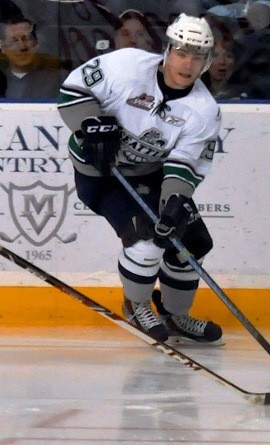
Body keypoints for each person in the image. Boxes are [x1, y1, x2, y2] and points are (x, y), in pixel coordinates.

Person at [57, 13, 224, 345]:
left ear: (206, 63)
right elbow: (73, 92)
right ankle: (136, 305)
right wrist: (90, 123)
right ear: (167, 51)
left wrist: (174, 203)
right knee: (145, 243)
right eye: (182, 53)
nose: (188, 64)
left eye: (198, 56)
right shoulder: (127, 65)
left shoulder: (204, 110)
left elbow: (182, 167)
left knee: (192, 242)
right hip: (102, 175)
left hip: (151, 175)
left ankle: (175, 315)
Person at [0, 15, 65, 99]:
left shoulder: (56, 81)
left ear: (36, 43)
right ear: (2, 47)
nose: (22, 46)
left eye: (27, 38)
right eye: (14, 40)